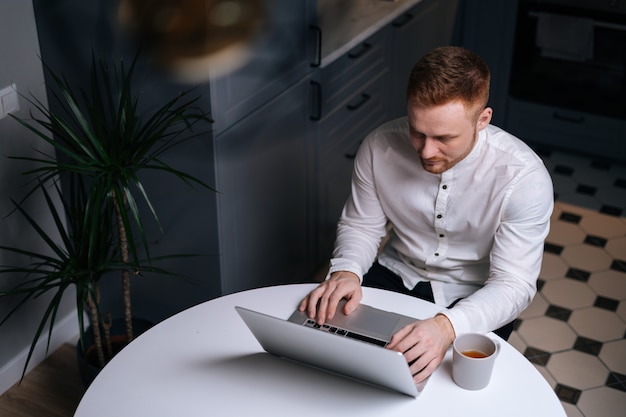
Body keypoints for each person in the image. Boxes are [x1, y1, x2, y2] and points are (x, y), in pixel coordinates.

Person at [299, 46, 553, 385]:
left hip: (475, 293)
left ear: (483, 119)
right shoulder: (379, 147)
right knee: (333, 366)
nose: (427, 151)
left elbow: (513, 284)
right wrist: (346, 271)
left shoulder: (525, 179)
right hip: (394, 272)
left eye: (444, 138)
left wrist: (448, 325)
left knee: (444, 394)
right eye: (417, 132)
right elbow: (361, 225)